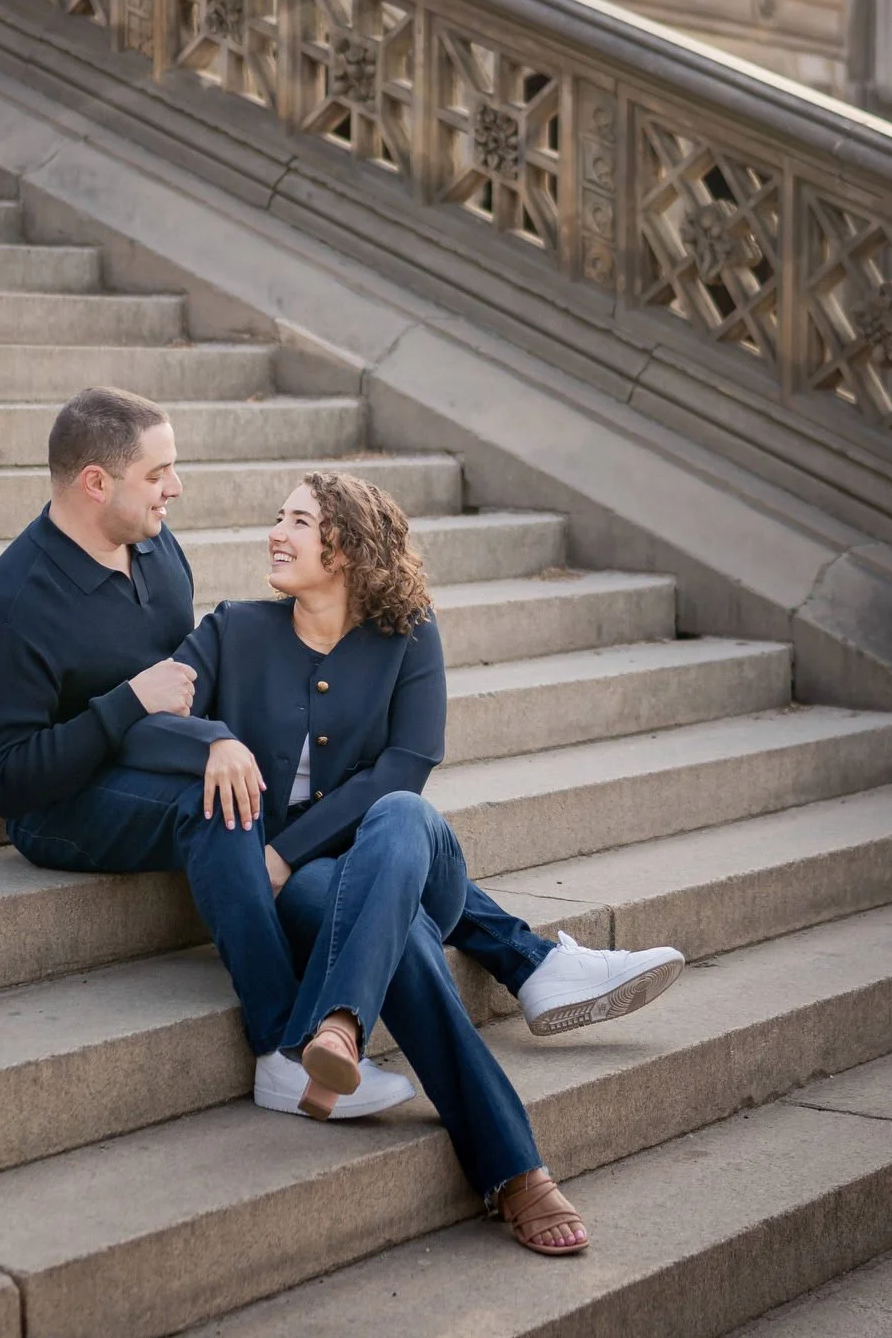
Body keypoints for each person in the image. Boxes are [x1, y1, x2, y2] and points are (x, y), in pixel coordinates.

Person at [124, 469, 603, 1252]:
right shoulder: (233, 631)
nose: (277, 533)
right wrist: (214, 739)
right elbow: (142, 726)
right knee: (404, 944)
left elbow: (408, 762)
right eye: (278, 518)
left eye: (301, 522)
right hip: (326, 897)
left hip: (417, 860)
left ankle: (338, 1018)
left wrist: (279, 852)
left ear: (346, 548)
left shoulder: (410, 633)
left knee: (402, 813)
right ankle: (518, 1173)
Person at [0, 388, 416, 1120]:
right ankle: (281, 1053)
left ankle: (519, 957)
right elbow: (10, 783)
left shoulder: (155, 547)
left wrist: (211, 735)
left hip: (151, 755)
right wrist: (129, 704)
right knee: (220, 806)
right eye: (158, 473)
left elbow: (186, 681)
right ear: (96, 483)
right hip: (60, 804)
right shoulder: (11, 608)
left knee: (325, 796)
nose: (176, 488)